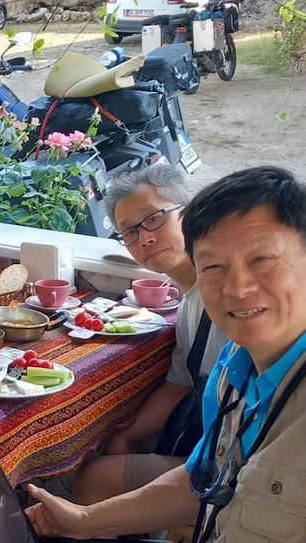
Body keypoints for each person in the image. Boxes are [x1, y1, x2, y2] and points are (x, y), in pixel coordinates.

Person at [26, 166, 306, 543]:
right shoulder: (232, 369)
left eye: (262, 259)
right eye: (213, 267)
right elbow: (206, 477)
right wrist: (84, 521)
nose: (237, 288)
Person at [73, 165, 228, 504]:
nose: (145, 239)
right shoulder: (188, 301)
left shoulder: (227, 296)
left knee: (95, 480)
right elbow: (179, 384)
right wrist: (127, 436)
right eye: (129, 232)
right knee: (115, 444)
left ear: (188, 212)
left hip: (235, 467)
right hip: (206, 440)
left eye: (154, 219)